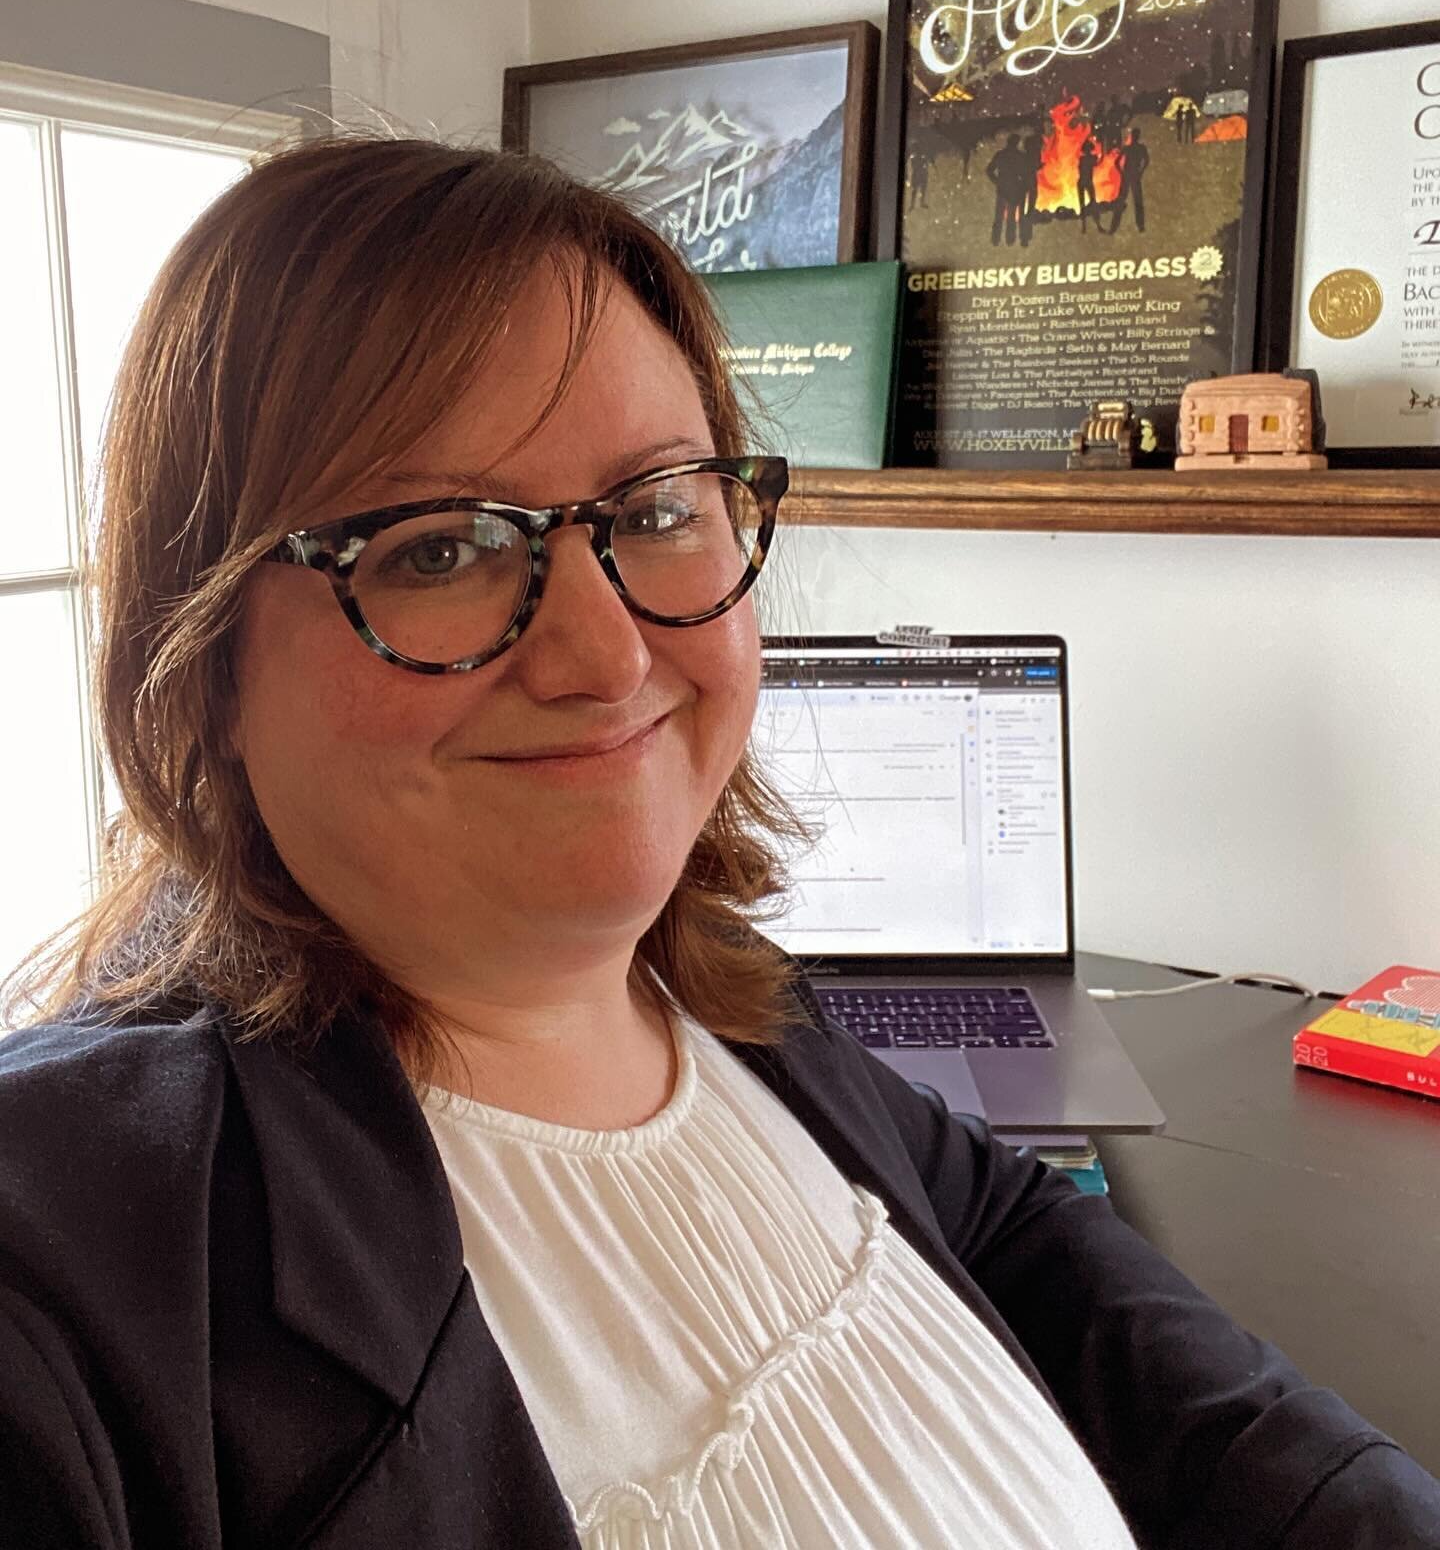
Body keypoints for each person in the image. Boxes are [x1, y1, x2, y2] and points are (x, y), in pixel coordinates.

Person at [1, 135, 1437, 1550]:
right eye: (439, 546)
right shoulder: (71, 1247)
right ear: (200, 665)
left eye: (657, 507)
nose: (606, 654)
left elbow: (1016, 1236)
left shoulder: (725, 993)